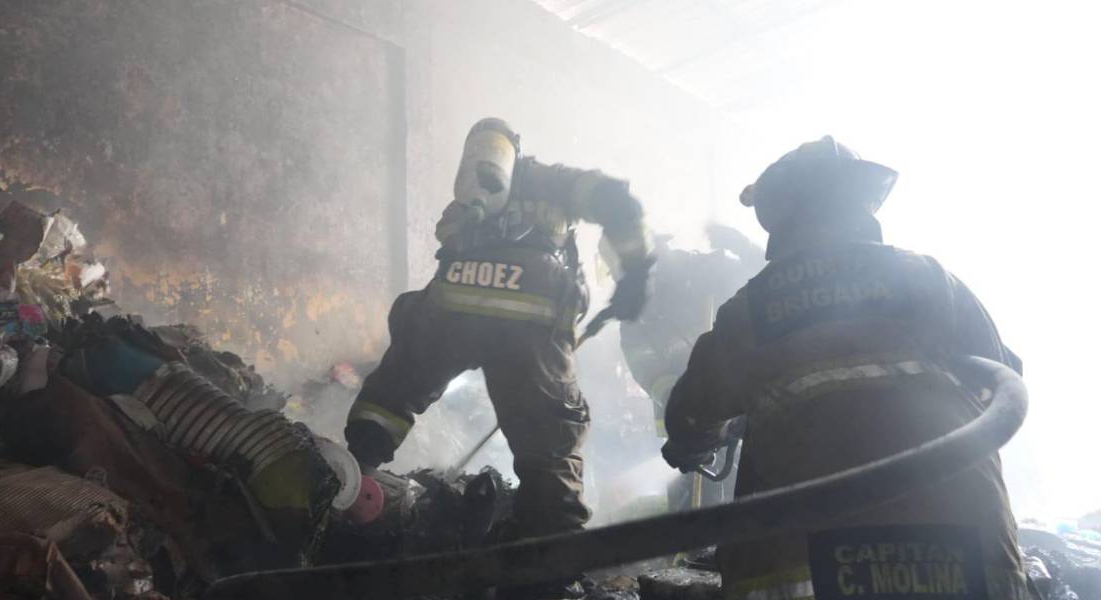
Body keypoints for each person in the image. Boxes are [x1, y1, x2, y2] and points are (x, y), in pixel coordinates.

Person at [661, 136, 1028, 599]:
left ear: (779, 217)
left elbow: (692, 415)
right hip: (971, 554)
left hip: (809, 569)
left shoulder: (751, 309)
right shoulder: (928, 278)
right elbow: (1003, 379)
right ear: (863, 206)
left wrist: (696, 442)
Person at [345, 118, 653, 599]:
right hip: (528, 318)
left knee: (393, 391)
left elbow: (446, 246)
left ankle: (345, 484)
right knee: (550, 445)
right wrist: (637, 272)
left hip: (452, 304)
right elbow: (616, 199)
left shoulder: (470, 198)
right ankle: (548, 572)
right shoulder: (550, 181)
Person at [616, 226, 762, 510]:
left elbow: (762, 276)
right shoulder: (634, 312)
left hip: (736, 406)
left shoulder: (700, 270)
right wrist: (686, 400)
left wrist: (738, 246)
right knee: (692, 499)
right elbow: (645, 367)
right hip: (685, 421)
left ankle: (729, 548)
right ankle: (693, 550)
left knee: (742, 488)